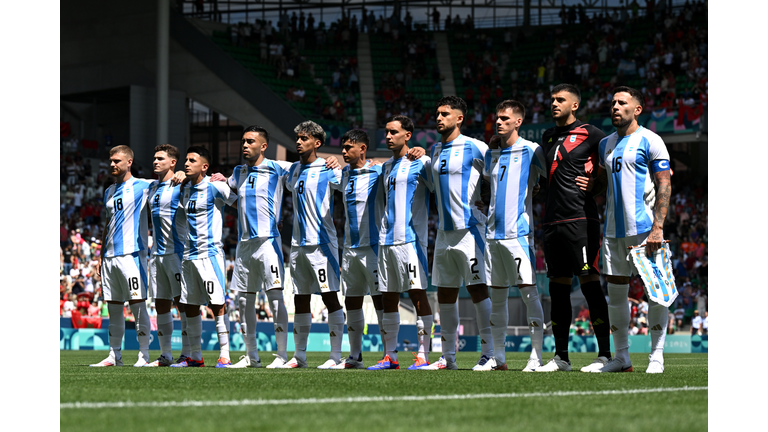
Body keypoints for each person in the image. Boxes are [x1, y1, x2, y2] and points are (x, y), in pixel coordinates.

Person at [579, 86, 673, 374]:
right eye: (613, 103)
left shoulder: (651, 140)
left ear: (637, 109)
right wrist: (591, 185)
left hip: (645, 231)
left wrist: (658, 227)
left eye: (622, 102)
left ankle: (656, 356)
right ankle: (622, 358)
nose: (615, 107)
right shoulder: (606, 144)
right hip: (613, 232)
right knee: (617, 296)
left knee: (656, 294)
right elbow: (606, 182)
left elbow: (664, 184)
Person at [536, 84, 613, 373]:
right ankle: (561, 358)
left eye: (560, 100)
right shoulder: (548, 136)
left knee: (590, 284)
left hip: (581, 220)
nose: (554, 103)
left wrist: (597, 185)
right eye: (552, 99)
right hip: (552, 222)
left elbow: (609, 171)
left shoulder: (593, 134)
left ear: (575, 105)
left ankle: (605, 355)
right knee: (558, 290)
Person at [220, 125, 301, 369]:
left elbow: (307, 166)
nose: (244, 145)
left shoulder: (279, 167)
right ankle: (251, 356)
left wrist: (331, 161)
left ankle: (281, 355)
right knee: (244, 301)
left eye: (250, 141)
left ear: (263, 146)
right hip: (244, 244)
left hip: (269, 242)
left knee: (275, 298)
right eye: (243, 141)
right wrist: (218, 180)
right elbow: (234, 196)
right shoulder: (238, 171)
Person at [422, 96, 491, 371]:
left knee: (478, 291)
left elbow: (498, 176)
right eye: (437, 113)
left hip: (470, 231)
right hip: (443, 233)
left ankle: (489, 353)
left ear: (459, 118)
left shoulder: (477, 147)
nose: (439, 118)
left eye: (445, 114)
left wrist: (487, 203)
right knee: (445, 295)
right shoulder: (435, 150)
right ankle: (447, 357)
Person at [366, 116, 435, 371]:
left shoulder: (422, 162)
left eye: (394, 132)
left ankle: (423, 355)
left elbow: (441, 186)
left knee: (417, 294)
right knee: (388, 297)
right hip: (386, 241)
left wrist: (426, 152)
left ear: (408, 135)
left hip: (411, 240)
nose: (388, 136)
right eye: (386, 132)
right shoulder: (385, 168)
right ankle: (391, 355)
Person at [483, 100, 547, 372]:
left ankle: (536, 356)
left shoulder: (533, 151)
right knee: (496, 298)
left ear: (518, 122)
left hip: (518, 235)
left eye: (505, 118)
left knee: (529, 295)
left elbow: (551, 180)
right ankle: (498, 357)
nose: (498, 122)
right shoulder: (490, 154)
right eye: (497, 117)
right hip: (491, 236)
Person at [279, 121, 346, 369]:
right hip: (297, 244)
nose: (298, 142)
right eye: (297, 137)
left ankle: (336, 356)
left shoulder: (328, 168)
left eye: (304, 138)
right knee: (300, 298)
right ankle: (299, 356)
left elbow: (347, 184)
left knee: (330, 297)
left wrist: (337, 162)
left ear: (317, 143)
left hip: (322, 243)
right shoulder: (293, 170)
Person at [170, 146, 237, 368]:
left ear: (204, 166)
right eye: (185, 160)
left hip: (211, 255)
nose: (186, 164)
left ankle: (225, 354)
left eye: (192, 160)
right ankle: (195, 356)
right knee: (189, 304)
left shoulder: (215, 187)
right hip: (189, 256)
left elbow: (240, 203)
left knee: (217, 305)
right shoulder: (184, 188)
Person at [89, 145, 154, 367]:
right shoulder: (108, 191)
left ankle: (144, 355)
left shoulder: (143, 185)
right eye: (111, 161)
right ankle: (114, 355)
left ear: (129, 162)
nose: (112, 164)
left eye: (117, 161)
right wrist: (100, 256)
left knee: (137, 304)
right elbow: (107, 224)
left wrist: (181, 174)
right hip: (109, 257)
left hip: (132, 255)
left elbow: (168, 182)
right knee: (114, 307)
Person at [332, 130, 386, 369]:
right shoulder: (344, 173)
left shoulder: (379, 170)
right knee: (351, 302)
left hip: (373, 248)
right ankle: (355, 356)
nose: (343, 151)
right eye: (342, 147)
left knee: (381, 301)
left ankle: (389, 355)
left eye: (348, 147)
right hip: (350, 249)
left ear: (362, 148)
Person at [144, 144, 190, 367]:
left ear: (173, 162)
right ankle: (165, 355)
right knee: (161, 303)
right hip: (156, 256)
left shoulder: (181, 185)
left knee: (183, 304)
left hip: (176, 253)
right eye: (154, 158)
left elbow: (202, 180)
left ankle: (187, 353)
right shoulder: (152, 187)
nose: (155, 161)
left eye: (160, 158)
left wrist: (185, 174)